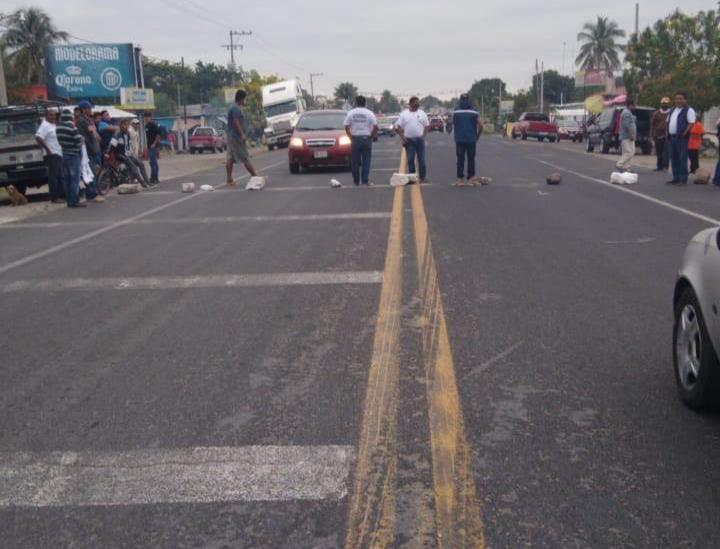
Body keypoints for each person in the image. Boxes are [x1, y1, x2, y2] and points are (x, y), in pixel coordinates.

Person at [225, 89, 257, 185]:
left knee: (230, 158)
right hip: (236, 137)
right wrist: (242, 134)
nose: (244, 101)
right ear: (241, 99)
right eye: (244, 99)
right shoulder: (236, 108)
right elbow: (236, 121)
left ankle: (229, 179)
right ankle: (255, 177)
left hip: (231, 137)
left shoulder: (232, 107)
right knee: (245, 157)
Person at [344, 95, 378, 186]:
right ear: (365, 103)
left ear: (356, 103)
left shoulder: (351, 113)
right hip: (366, 138)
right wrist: (371, 135)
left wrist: (350, 136)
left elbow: (346, 126)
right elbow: (375, 126)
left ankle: (356, 181)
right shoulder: (369, 113)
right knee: (366, 160)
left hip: (355, 138)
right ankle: (365, 180)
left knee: (355, 161)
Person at [56, 110, 87, 207]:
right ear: (70, 117)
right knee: (75, 179)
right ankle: (74, 201)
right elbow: (78, 140)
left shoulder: (58, 128)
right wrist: (81, 141)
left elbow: (59, 141)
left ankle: (69, 201)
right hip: (74, 155)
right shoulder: (72, 127)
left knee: (67, 179)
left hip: (64, 154)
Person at [107, 119, 151, 187]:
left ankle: (147, 181)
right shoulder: (117, 134)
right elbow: (112, 145)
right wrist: (107, 153)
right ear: (121, 125)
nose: (126, 126)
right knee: (133, 167)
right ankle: (142, 183)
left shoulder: (127, 134)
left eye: (127, 125)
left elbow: (128, 146)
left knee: (141, 164)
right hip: (120, 155)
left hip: (127, 154)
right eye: (125, 125)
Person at [35, 108, 65, 204]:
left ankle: (62, 196)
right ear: (46, 116)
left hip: (58, 153)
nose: (53, 116)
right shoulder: (45, 125)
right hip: (52, 154)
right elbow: (38, 137)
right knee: (53, 177)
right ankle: (54, 197)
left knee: (60, 176)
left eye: (54, 115)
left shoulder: (53, 125)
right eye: (50, 115)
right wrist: (47, 150)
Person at [396, 96, 429, 183]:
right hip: (409, 140)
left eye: (418, 104)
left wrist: (423, 136)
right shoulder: (404, 114)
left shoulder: (422, 113)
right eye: (415, 104)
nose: (417, 105)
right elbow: (398, 128)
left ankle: (422, 177)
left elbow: (427, 126)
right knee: (410, 159)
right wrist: (403, 138)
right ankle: (412, 178)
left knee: (421, 159)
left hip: (420, 140)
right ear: (410, 104)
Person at [452, 94, 483, 186]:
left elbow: (454, 123)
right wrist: (477, 136)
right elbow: (481, 125)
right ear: (469, 100)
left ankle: (460, 179)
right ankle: (470, 179)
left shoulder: (456, 111)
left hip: (460, 139)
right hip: (471, 139)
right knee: (471, 159)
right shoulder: (474, 111)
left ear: (460, 100)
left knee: (460, 159)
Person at [667, 91, 696, 185]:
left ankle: (683, 179)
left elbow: (691, 123)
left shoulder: (689, 110)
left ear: (685, 100)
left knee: (682, 158)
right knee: (674, 158)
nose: (678, 101)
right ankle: (676, 178)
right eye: (677, 99)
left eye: (680, 99)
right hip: (672, 137)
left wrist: (684, 134)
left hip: (682, 138)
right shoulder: (672, 110)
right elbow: (668, 121)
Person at [76, 100, 101, 176]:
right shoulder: (81, 120)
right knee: (91, 174)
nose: (90, 110)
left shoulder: (89, 120)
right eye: (89, 108)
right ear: (83, 110)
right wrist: (91, 149)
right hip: (89, 152)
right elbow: (84, 138)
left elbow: (94, 133)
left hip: (95, 150)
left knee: (97, 172)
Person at [615, 98, 637, 173]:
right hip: (627, 136)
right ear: (630, 105)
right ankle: (619, 164)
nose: (635, 107)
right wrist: (631, 134)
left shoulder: (627, 112)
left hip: (627, 136)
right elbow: (627, 125)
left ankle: (627, 168)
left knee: (628, 152)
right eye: (634, 105)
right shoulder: (626, 113)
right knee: (629, 152)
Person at [650, 97, 671, 172]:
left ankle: (665, 166)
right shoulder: (656, 113)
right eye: (663, 103)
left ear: (668, 104)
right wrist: (652, 136)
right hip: (658, 135)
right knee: (659, 151)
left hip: (667, 135)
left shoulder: (671, 113)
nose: (664, 105)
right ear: (661, 104)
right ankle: (659, 166)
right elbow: (652, 125)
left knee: (666, 152)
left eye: (666, 103)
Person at [145, 112, 161, 184]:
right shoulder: (146, 126)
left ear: (150, 117)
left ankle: (153, 179)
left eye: (148, 117)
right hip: (149, 146)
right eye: (145, 117)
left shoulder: (154, 125)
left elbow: (158, 135)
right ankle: (156, 178)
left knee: (153, 163)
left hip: (153, 146)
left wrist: (154, 144)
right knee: (154, 163)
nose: (146, 118)